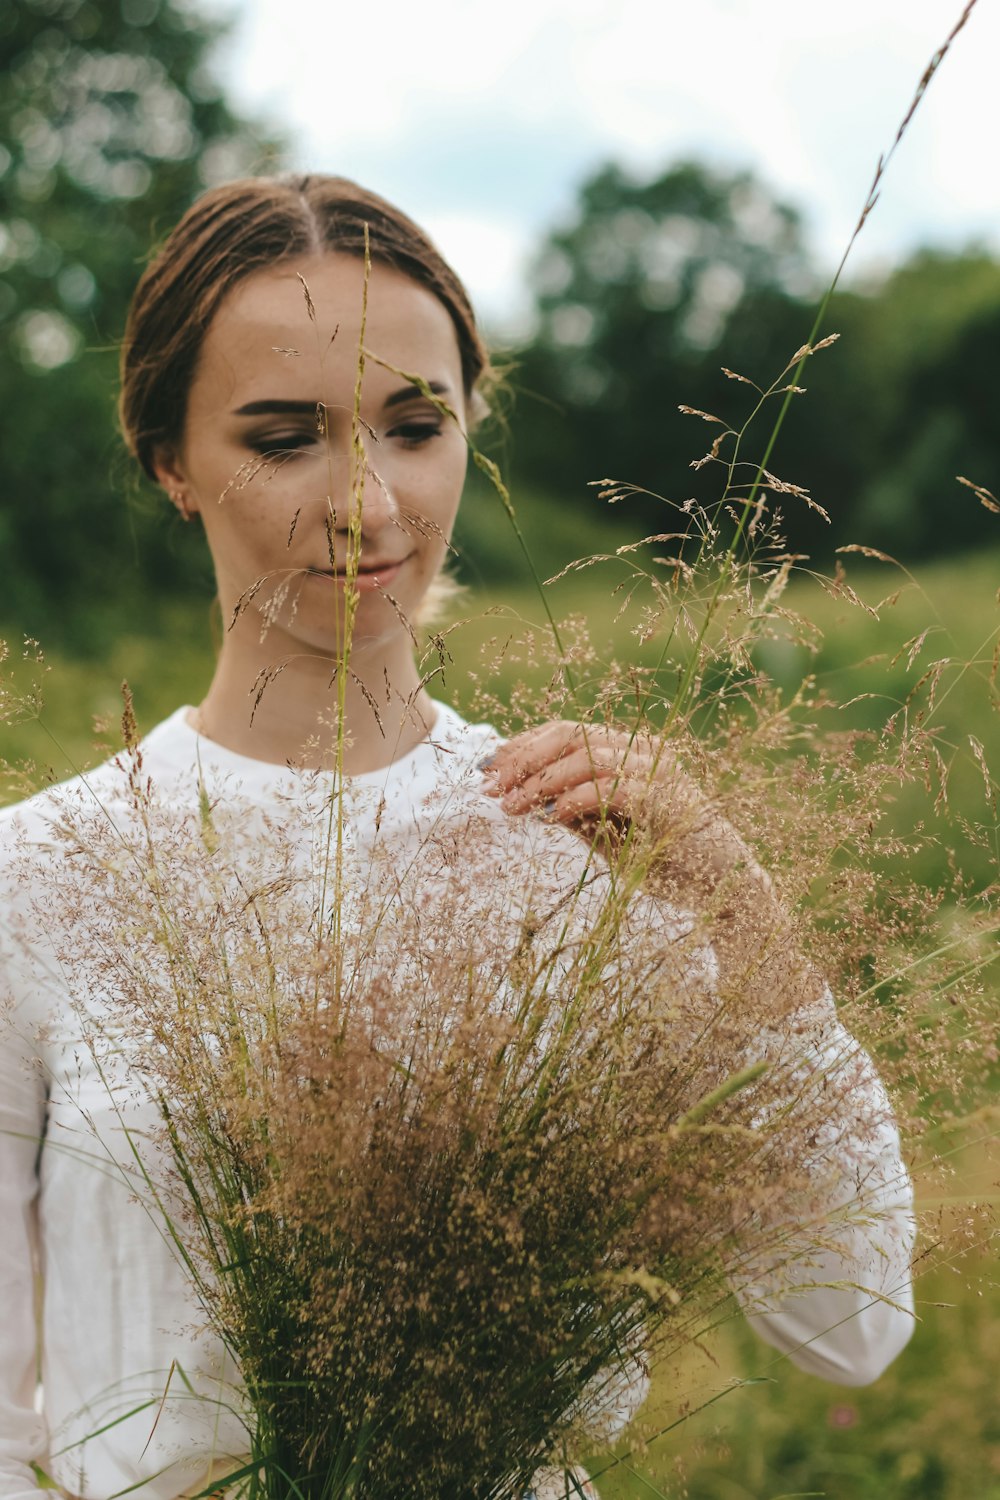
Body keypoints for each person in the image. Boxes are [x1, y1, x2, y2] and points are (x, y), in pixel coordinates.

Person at [0, 175, 915, 1500]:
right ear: (168, 459)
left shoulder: (588, 842)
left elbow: (852, 1326)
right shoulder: (36, 878)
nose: (365, 505)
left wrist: (739, 910)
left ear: (469, 431)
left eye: (413, 426)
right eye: (283, 436)